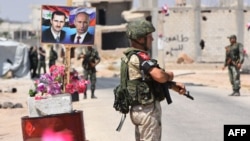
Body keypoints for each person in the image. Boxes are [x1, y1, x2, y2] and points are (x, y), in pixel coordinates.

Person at [124, 19, 186, 141]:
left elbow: (148, 81)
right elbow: (159, 76)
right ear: (140, 39)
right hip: (146, 111)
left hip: (139, 109)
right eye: (149, 37)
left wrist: (173, 86)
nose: (152, 39)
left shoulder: (130, 56)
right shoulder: (139, 57)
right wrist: (169, 75)